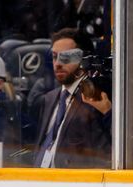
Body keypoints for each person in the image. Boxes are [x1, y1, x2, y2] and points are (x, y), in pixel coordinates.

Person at [33, 27, 111, 168]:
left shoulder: (97, 98)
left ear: (84, 59)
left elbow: (106, 155)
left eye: (66, 57)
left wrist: (108, 113)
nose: (58, 64)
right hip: (39, 177)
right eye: (54, 56)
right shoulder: (49, 98)